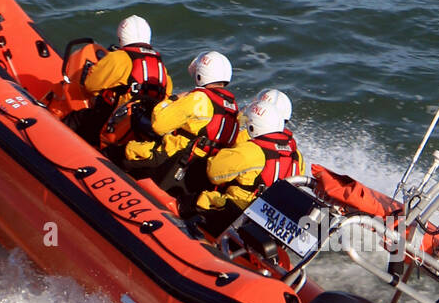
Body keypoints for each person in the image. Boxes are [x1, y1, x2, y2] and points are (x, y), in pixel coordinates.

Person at [124, 50, 239, 194]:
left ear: (200, 75)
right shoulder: (233, 109)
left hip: (170, 160)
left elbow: (158, 125)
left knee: (123, 151)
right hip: (197, 172)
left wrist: (173, 99)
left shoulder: (198, 99)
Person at [195, 89, 304, 222]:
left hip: (237, 211)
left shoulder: (252, 146)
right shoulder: (296, 155)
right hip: (267, 218)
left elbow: (214, 172)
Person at [72, 14, 172, 150]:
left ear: (121, 37)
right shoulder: (161, 67)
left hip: (115, 124)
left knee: (74, 119)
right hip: (142, 129)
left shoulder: (118, 58)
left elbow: (90, 86)